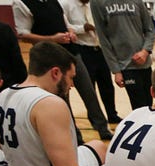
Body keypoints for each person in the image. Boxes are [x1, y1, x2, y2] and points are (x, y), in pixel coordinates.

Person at [0, 41, 107, 166]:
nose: (71, 85)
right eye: (71, 77)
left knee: (98, 146)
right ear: (55, 73)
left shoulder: (5, 95)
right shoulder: (49, 103)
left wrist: (32, 157)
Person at [12, 0, 113, 139]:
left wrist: (70, 32)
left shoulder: (55, 2)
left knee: (88, 91)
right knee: (62, 97)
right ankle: (74, 135)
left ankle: (102, 128)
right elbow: (23, 34)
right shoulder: (21, 3)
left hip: (70, 53)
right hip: (48, 58)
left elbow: (67, 25)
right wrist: (52, 39)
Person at [60, 0, 122, 123]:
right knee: (89, 87)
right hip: (82, 49)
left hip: (99, 48)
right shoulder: (66, 5)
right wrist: (83, 28)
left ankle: (112, 114)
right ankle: (94, 117)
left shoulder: (95, 5)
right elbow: (65, 27)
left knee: (107, 84)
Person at [91, 0, 155, 111]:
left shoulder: (136, 2)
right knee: (139, 108)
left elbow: (150, 30)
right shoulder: (97, 3)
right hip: (125, 66)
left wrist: (145, 51)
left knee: (149, 104)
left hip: (145, 64)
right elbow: (103, 39)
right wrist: (116, 70)